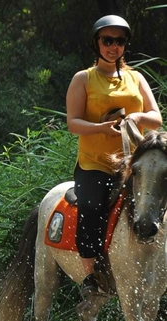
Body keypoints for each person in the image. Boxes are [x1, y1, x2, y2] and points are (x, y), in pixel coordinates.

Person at [66, 15, 162, 297]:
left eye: (119, 41)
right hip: (94, 163)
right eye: (107, 40)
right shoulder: (83, 78)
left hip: (133, 163)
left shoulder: (137, 77)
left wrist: (136, 116)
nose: (113, 47)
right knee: (92, 206)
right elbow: (73, 123)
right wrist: (101, 128)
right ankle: (92, 275)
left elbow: (155, 118)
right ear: (96, 43)